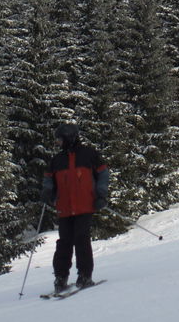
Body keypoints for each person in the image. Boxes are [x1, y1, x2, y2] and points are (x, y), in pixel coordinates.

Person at [42, 124, 108, 294]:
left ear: (69, 137)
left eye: (59, 139)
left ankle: (85, 275)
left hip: (85, 205)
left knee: (81, 239)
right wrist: (47, 191)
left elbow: (103, 174)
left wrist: (101, 195)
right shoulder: (57, 160)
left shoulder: (89, 154)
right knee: (64, 243)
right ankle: (60, 277)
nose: (57, 142)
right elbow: (49, 178)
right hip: (64, 208)